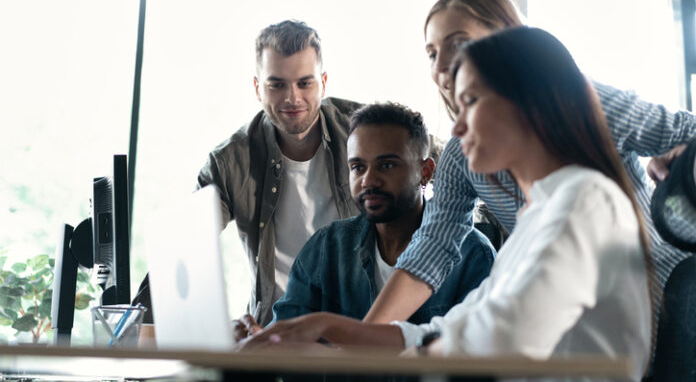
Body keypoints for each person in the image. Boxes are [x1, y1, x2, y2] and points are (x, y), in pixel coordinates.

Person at [241, 27, 653, 381]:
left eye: (471, 101)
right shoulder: (537, 216)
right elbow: (453, 328)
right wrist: (322, 328)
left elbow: (501, 340)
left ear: (532, 103)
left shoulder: (586, 200)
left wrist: (342, 351)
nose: (456, 126)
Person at [363, 0, 696, 326]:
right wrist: (362, 337)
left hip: (671, 298)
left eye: (459, 44)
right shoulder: (462, 156)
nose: (443, 67)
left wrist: (678, 155)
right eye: (432, 53)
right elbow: (432, 248)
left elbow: (690, 130)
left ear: (511, 40)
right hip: (585, 320)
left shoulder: (585, 102)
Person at [135, 20, 364, 326]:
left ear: (323, 82)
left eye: (304, 83)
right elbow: (186, 245)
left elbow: (435, 157)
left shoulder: (363, 129)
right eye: (277, 84)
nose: (292, 98)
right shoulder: (230, 161)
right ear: (258, 88)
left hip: (359, 329)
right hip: (275, 334)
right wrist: (132, 325)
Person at [234, 103, 494, 339]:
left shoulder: (473, 255)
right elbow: (286, 339)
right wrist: (254, 336)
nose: (369, 180)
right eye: (358, 167)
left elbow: (479, 355)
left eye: (387, 166)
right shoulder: (326, 249)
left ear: (425, 172)